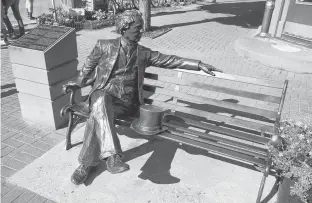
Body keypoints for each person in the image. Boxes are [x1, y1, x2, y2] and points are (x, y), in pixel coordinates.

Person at [67, 9, 223, 185]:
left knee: (97, 110)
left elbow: (171, 60)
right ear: (124, 28)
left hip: (126, 104)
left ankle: (86, 165)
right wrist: (76, 83)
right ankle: (112, 156)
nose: (141, 31)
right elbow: (86, 70)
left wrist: (198, 64)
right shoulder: (104, 45)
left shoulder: (144, 53)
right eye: (138, 28)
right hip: (103, 96)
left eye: (141, 28)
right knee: (100, 99)